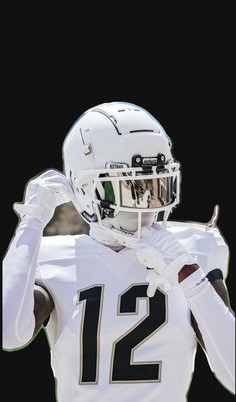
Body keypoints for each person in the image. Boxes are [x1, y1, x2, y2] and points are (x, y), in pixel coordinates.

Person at [2, 102, 235, 402]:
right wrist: (32, 222)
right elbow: (9, 333)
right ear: (88, 190)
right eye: (133, 187)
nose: (151, 202)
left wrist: (188, 276)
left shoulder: (192, 249)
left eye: (157, 183)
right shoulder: (51, 256)